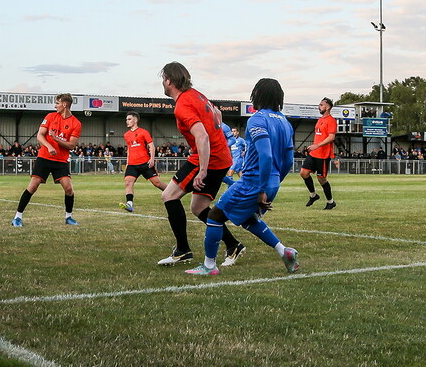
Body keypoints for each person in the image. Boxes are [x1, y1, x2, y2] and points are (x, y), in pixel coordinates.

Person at [186, 78, 299, 276]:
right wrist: (273, 184)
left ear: (258, 95)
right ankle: (285, 252)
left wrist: (262, 189)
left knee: (214, 216)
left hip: (253, 183)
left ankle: (209, 266)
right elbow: (289, 161)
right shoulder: (286, 123)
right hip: (271, 181)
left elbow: (266, 155)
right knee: (248, 219)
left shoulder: (257, 119)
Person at [157, 62, 244, 266]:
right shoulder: (198, 95)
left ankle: (183, 251)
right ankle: (233, 245)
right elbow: (217, 115)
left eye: (163, 79)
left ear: (169, 80)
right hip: (220, 156)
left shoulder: (182, 104)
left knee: (169, 195)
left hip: (209, 157)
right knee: (199, 207)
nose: (162, 82)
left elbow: (202, 136)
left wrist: (203, 170)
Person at [11, 93, 82, 227]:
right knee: (33, 186)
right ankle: (17, 217)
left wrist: (56, 139)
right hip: (44, 157)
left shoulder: (76, 123)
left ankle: (68, 217)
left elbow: (72, 145)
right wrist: (49, 146)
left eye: (57, 103)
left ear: (65, 104)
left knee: (68, 189)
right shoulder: (50, 117)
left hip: (61, 160)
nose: (55, 105)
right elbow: (40, 135)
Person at [119, 111, 166, 212]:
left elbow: (151, 146)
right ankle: (129, 204)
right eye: (126, 119)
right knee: (128, 182)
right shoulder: (126, 135)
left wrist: (152, 159)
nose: (127, 121)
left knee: (157, 183)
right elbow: (129, 150)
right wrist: (127, 163)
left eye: (129, 119)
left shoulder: (144, 132)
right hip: (132, 164)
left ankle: (172, 194)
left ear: (135, 120)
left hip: (145, 163)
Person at [300, 97, 338, 210]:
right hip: (314, 153)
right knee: (303, 173)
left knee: (321, 179)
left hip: (323, 155)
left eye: (321, 105)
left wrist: (317, 145)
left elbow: (331, 137)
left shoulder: (331, 120)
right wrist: (313, 147)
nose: (319, 106)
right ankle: (313, 195)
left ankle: (330, 202)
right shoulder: (320, 119)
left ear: (328, 107)